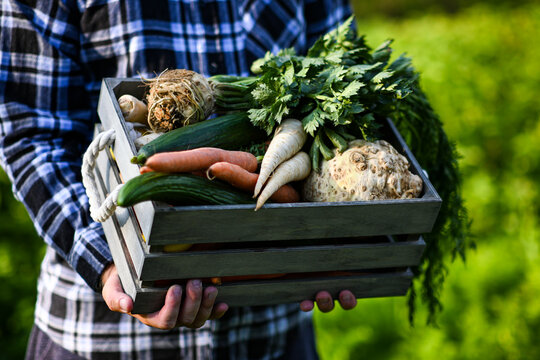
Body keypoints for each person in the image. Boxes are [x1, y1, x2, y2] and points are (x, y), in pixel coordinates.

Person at [0, 0, 357, 358]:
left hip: (274, 330)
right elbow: (31, 135)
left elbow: (343, 77)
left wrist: (332, 250)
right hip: (103, 338)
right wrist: (111, 263)